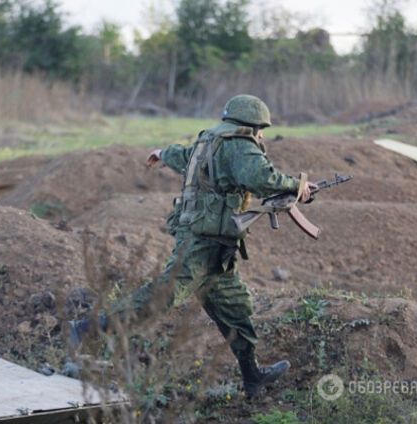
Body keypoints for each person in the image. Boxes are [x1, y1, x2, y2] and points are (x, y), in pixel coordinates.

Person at [69, 94, 316, 398]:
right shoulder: (239, 144)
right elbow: (259, 177)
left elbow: (184, 156)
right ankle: (87, 331)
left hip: (215, 248)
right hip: (202, 242)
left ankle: (253, 377)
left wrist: (162, 152)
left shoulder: (210, 138)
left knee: (235, 309)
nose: (262, 135)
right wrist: (296, 185)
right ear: (251, 124)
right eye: (261, 129)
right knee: (164, 295)